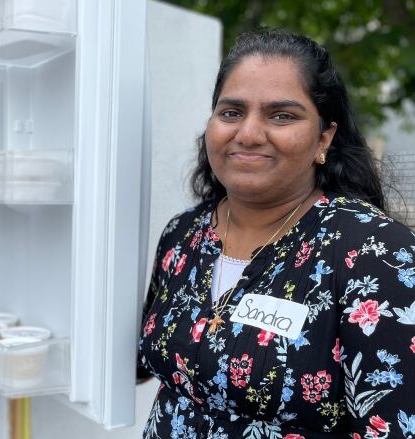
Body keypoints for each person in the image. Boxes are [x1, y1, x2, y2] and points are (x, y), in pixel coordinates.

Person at [138, 29, 415, 438]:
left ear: (324, 137)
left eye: (281, 115)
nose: (248, 133)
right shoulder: (183, 235)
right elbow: (143, 364)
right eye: (231, 112)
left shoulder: (378, 253)